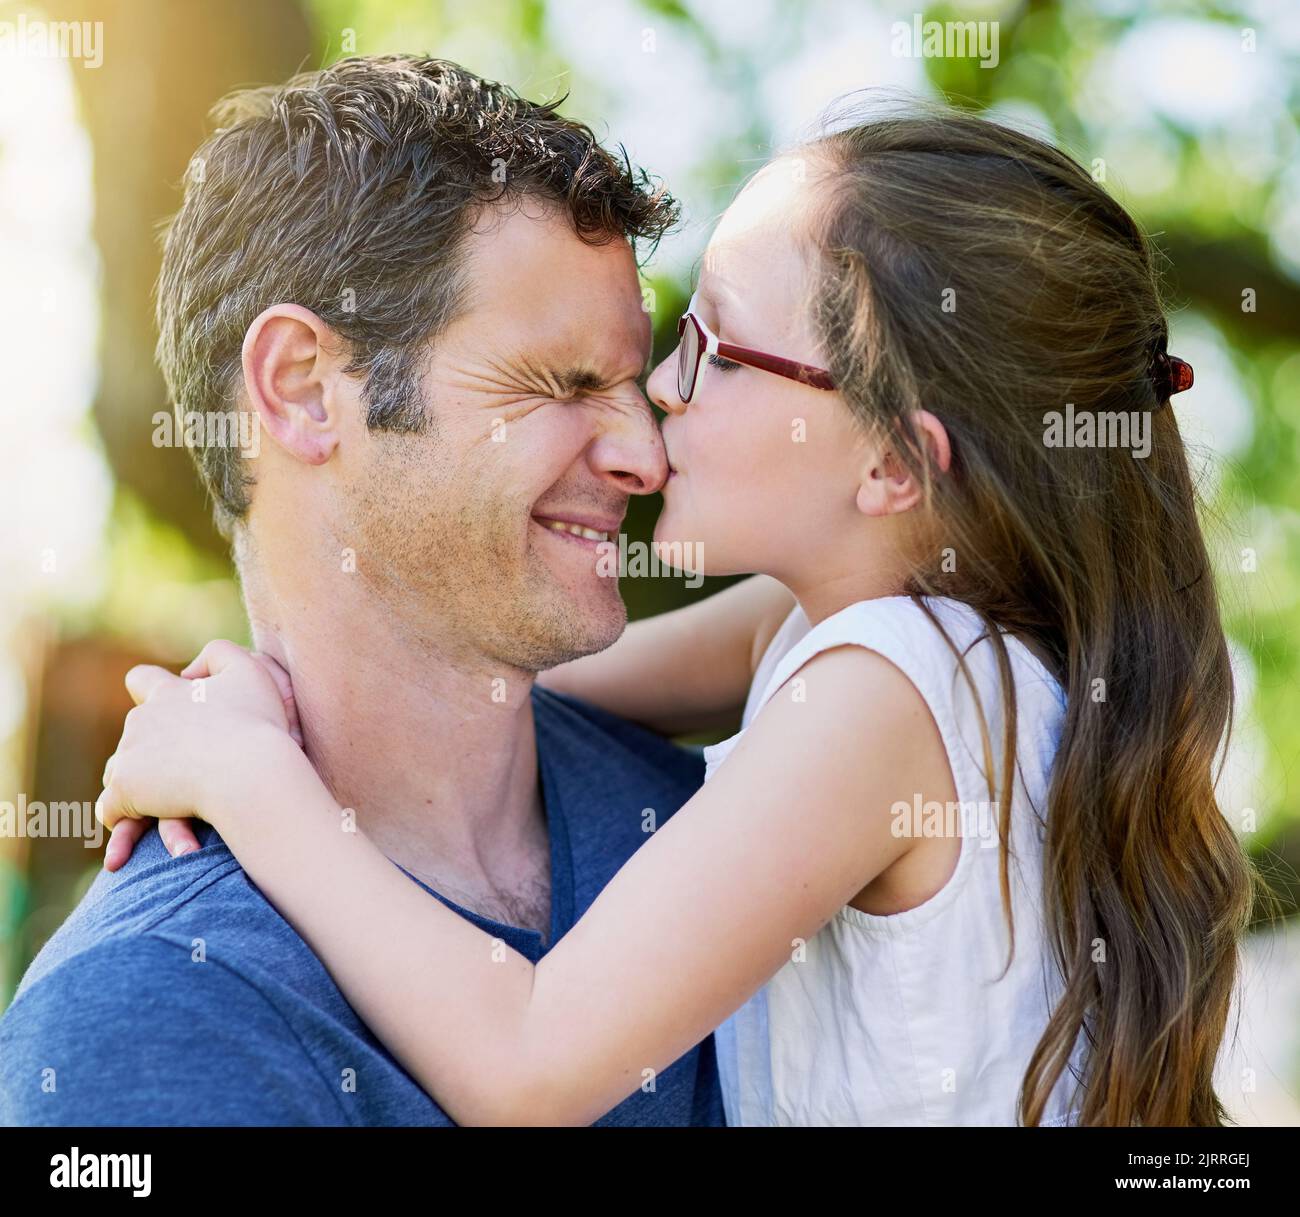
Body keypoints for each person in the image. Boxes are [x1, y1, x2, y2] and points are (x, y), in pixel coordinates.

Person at [95, 97, 1258, 1126]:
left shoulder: (883, 694)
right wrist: (283, 692)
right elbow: (481, 684)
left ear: (891, 463)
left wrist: (252, 775)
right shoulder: (903, 644)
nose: (659, 394)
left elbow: (527, 1065)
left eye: (716, 350)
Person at [0, 55, 726, 1127]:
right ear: (302, 389)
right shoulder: (151, 1005)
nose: (646, 456)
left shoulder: (730, 819)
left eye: (633, 382)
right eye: (563, 382)